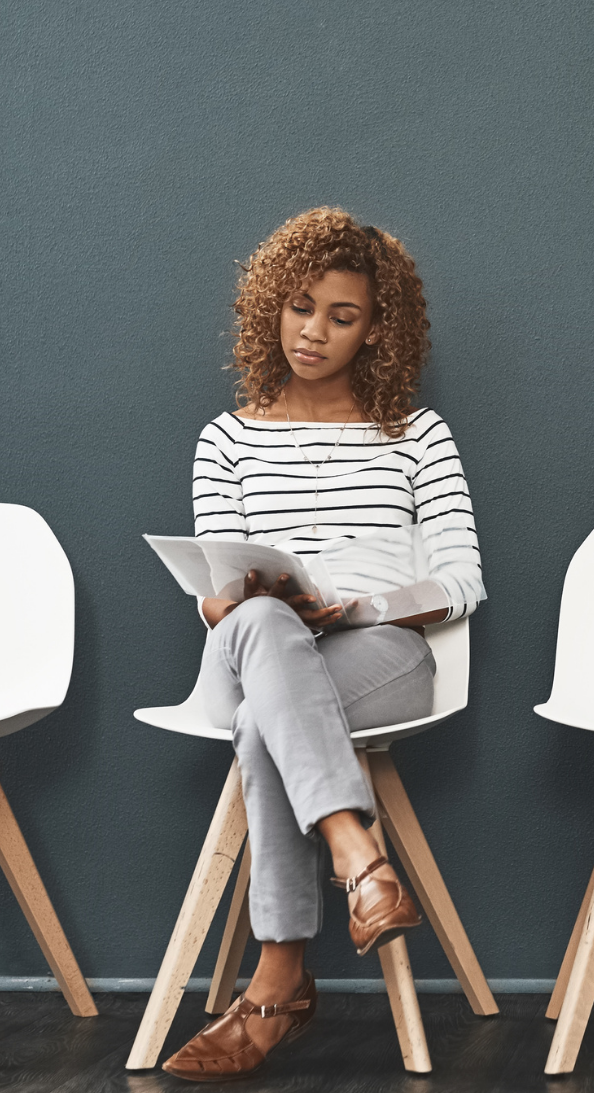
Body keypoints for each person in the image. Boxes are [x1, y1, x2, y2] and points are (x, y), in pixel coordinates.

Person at [162, 207, 484, 1082]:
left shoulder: (416, 436)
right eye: (301, 306)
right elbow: (215, 598)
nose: (314, 331)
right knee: (262, 625)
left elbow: (461, 581)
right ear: (272, 304)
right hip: (252, 644)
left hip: (380, 652)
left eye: (342, 316)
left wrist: (359, 606)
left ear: (376, 329)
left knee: (270, 724)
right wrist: (245, 599)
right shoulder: (224, 439)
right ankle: (356, 852)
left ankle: (279, 981)